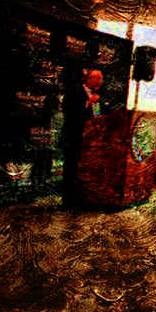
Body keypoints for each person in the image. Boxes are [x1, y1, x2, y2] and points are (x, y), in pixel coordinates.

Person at [60, 67, 105, 207]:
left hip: (89, 138)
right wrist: (88, 103)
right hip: (74, 136)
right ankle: (68, 201)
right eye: (98, 78)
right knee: (71, 168)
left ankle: (82, 198)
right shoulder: (75, 91)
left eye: (101, 78)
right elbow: (68, 110)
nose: (101, 81)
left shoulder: (97, 95)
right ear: (89, 79)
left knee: (83, 169)